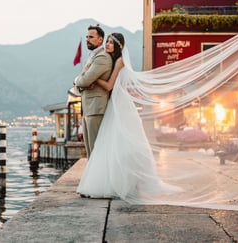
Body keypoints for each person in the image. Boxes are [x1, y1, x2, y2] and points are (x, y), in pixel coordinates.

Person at [77, 32, 183, 201]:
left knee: (120, 142)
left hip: (120, 104)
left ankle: (124, 181)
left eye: (111, 43)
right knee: (114, 144)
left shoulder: (119, 62)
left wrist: (95, 79)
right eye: (108, 42)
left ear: (118, 46)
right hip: (115, 102)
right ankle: (116, 179)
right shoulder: (111, 60)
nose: (108, 45)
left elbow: (110, 85)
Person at [74, 25, 113, 157]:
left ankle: (99, 177)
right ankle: (94, 176)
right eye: (86, 37)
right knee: (90, 151)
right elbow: (84, 81)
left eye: (91, 37)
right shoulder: (92, 57)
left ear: (100, 39)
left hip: (96, 108)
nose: (87, 39)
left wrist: (77, 81)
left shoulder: (102, 57)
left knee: (96, 150)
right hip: (89, 108)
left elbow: (84, 80)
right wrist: (82, 82)